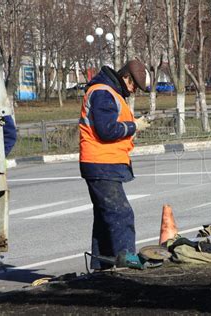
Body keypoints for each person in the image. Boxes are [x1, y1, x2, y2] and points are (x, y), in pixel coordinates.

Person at [79, 59, 151, 270]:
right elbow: (107, 130)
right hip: (101, 162)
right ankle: (125, 259)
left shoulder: (110, 92)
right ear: (126, 77)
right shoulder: (103, 93)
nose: (134, 90)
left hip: (102, 162)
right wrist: (133, 126)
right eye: (134, 85)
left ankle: (103, 264)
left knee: (104, 216)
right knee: (121, 212)